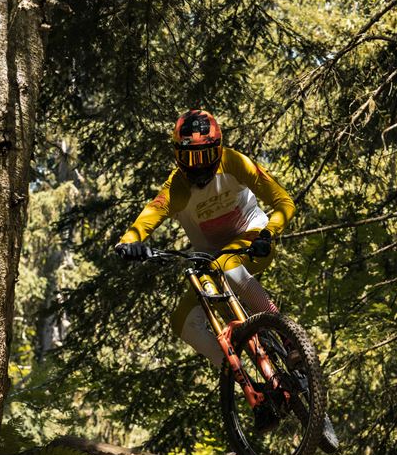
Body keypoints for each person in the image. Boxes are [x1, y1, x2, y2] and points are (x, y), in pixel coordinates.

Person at [115, 108, 295, 370]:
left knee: (228, 264)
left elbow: (283, 201)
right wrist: (127, 242)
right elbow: (149, 216)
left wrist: (269, 233)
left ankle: (288, 337)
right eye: (191, 157)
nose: (199, 165)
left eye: (206, 155)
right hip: (210, 261)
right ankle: (237, 376)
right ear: (178, 156)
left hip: (253, 240)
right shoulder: (176, 187)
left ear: (219, 150)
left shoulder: (235, 163)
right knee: (183, 323)